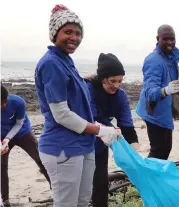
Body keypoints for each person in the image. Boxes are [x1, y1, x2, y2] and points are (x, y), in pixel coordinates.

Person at [34, 5, 120, 207]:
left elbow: (71, 91)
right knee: (66, 204)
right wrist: (99, 129)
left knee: (82, 201)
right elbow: (61, 114)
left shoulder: (66, 61)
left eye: (78, 33)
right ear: (55, 33)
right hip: (63, 147)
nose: (74, 38)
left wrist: (86, 79)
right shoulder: (51, 63)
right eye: (68, 32)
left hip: (82, 144)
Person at [85, 53, 141, 207]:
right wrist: (111, 129)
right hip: (81, 141)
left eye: (120, 81)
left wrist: (134, 146)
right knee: (80, 183)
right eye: (112, 81)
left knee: (101, 181)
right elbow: (92, 115)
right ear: (103, 78)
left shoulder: (120, 96)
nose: (116, 85)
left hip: (101, 143)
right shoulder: (88, 90)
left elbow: (126, 122)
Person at [137, 24, 179, 160]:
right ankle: (148, 179)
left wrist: (174, 87)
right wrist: (165, 90)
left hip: (164, 110)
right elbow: (150, 92)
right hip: (154, 112)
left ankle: (153, 178)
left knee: (165, 148)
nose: (170, 42)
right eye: (165, 39)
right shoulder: (153, 60)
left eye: (172, 39)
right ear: (158, 39)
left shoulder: (170, 56)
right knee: (159, 150)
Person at [1, 85, 51, 207]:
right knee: (2, 167)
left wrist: (8, 139)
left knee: (41, 160)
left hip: (22, 132)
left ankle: (55, 188)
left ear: (6, 100)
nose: (2, 106)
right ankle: (5, 200)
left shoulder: (18, 102)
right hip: (2, 135)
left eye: (2, 103)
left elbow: (18, 123)